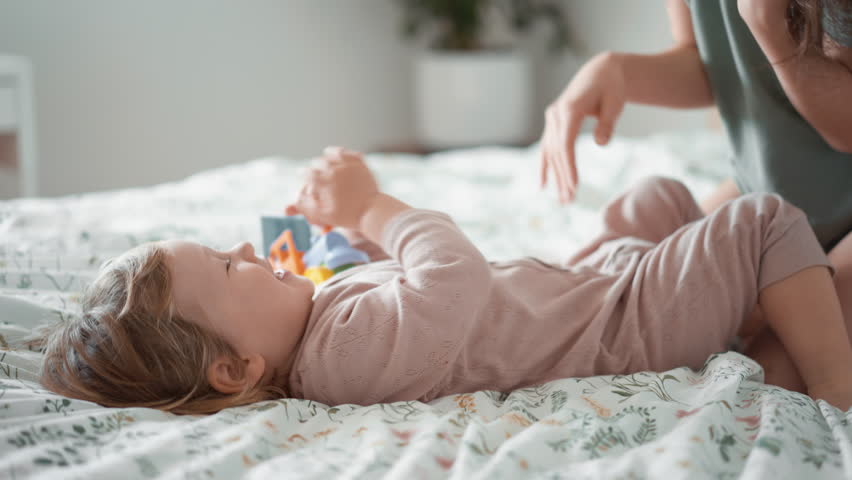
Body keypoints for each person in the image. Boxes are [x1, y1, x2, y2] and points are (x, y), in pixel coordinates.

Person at [35, 146, 852, 415]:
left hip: (579, 286)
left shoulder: (322, 326)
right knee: (762, 220)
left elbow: (383, 283)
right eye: (225, 266)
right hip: (620, 323)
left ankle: (759, 297)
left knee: (656, 198)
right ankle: (834, 386)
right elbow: (448, 279)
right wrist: (379, 206)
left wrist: (344, 226)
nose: (245, 254)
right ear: (236, 368)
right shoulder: (343, 359)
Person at [539, 0, 852, 392]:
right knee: (616, 309)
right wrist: (614, 69)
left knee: (766, 377)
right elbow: (710, 66)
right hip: (769, 188)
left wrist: (769, 27)